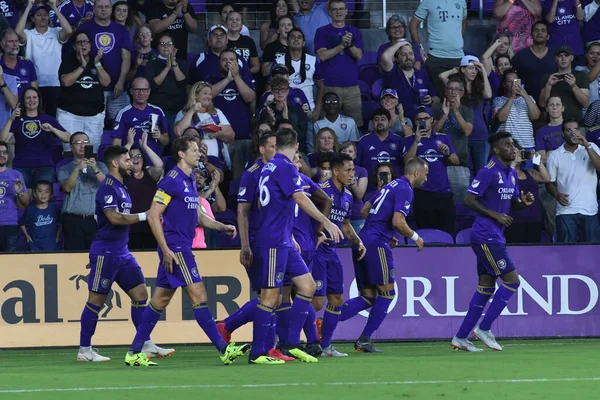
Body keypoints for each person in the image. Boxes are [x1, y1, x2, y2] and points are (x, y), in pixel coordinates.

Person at [124, 136, 250, 367]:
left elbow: (198, 216)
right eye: (193, 150)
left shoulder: (189, 178)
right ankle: (224, 349)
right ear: (181, 154)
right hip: (177, 248)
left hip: (179, 247)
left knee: (160, 300)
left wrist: (221, 226)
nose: (199, 153)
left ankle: (134, 352)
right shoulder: (171, 180)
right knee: (199, 295)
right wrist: (165, 249)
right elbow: (153, 215)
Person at [248, 128, 342, 364]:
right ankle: (258, 352)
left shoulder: (267, 167)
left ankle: (290, 343)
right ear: (296, 146)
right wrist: (325, 220)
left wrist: (287, 234)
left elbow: (265, 204)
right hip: (272, 241)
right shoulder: (286, 167)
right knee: (270, 297)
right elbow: (300, 198)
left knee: (307, 286)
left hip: (283, 239)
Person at [77, 145, 174, 362]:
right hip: (105, 253)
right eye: (126, 159)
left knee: (141, 296)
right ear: (115, 163)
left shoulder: (122, 187)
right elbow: (114, 218)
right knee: (96, 301)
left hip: (123, 253)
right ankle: (84, 350)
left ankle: (146, 343)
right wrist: (145, 216)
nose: (130, 163)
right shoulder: (107, 188)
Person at [451, 132, 535, 352]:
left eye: (513, 144)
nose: (513, 148)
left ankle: (461, 337)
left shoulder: (512, 174)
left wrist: (522, 203)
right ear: (496, 150)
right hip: (485, 234)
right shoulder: (488, 172)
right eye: (507, 145)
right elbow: (468, 199)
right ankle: (485, 328)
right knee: (512, 281)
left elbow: (510, 204)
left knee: (486, 288)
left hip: (496, 235)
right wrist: (494, 216)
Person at [216, 132, 294, 362]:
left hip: (278, 239)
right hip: (260, 240)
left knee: (275, 296)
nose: (276, 151)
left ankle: (264, 344)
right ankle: (258, 344)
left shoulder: (277, 169)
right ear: (261, 149)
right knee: (269, 295)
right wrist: (245, 245)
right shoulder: (252, 174)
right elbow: (242, 210)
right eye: (271, 147)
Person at [347, 157, 428, 353]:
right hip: (376, 244)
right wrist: (415, 236)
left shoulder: (390, 185)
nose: (426, 180)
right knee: (388, 293)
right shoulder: (405, 189)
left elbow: (366, 209)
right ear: (415, 173)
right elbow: (398, 221)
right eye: (425, 175)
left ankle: (326, 323)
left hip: (362, 240)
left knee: (368, 296)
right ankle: (364, 340)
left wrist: (381, 229)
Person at [311, 153, 365, 357]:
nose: (353, 174)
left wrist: (358, 242)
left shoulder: (349, 196)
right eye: (348, 170)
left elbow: (344, 223)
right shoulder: (321, 192)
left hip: (332, 252)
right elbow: (306, 214)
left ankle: (325, 346)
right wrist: (313, 234)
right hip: (316, 251)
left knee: (337, 298)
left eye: (353, 170)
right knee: (316, 302)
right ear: (335, 171)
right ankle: (286, 334)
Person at [404, 106, 459, 235]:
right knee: (426, 234)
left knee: (447, 234)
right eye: (419, 119)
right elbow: (407, 161)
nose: (422, 122)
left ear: (432, 120)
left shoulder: (443, 138)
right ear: (415, 121)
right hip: (422, 193)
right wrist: (416, 141)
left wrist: (448, 153)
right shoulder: (409, 140)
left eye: (425, 119)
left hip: (444, 194)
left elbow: (456, 161)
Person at [0, 87, 70, 189]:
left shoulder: (48, 119)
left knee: (43, 200)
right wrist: (11, 118)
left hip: (44, 166)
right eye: (28, 98)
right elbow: (2, 140)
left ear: (39, 99)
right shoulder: (17, 120)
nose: (31, 100)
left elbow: (68, 138)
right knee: (23, 199)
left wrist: (52, 129)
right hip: (21, 166)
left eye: (34, 97)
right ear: (23, 101)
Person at [78, 0, 132, 126]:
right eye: (100, 7)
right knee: (93, 126)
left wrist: (121, 81)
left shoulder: (121, 29)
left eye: (106, 7)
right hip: (92, 87)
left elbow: (126, 58)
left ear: (111, 9)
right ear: (94, 9)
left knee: (120, 125)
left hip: (117, 88)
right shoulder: (85, 28)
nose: (103, 9)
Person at [546, 118, 600, 243]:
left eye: (576, 129)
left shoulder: (591, 148)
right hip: (566, 211)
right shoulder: (555, 155)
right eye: (568, 130)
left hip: (589, 210)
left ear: (580, 131)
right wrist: (557, 194)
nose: (573, 133)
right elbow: (549, 183)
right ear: (562, 134)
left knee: (592, 253)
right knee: (567, 253)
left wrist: (587, 145)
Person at [16, 0, 73, 118]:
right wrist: (29, 6)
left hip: (54, 84)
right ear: (32, 19)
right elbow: (17, 32)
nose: (43, 17)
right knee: (35, 117)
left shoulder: (56, 32)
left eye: (45, 14)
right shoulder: (29, 33)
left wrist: (55, 8)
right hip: (34, 84)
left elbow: (69, 30)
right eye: (39, 15)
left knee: (53, 119)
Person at [57, 31, 111, 153]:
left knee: (90, 153)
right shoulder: (68, 61)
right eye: (79, 42)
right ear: (74, 46)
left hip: (94, 116)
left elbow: (106, 82)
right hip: (70, 115)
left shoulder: (97, 61)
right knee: (70, 152)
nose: (83, 45)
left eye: (85, 42)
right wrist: (82, 66)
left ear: (90, 45)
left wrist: (97, 63)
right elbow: (66, 82)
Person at [439, 56, 492, 174]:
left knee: (481, 172)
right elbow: (442, 76)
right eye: (470, 68)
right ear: (463, 69)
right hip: (462, 134)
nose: (474, 71)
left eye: (475, 69)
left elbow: (488, 95)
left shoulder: (479, 86)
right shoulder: (456, 87)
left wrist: (482, 69)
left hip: (480, 133)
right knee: (465, 172)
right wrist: (456, 69)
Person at [209, 49, 256, 180]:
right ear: (219, 62)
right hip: (219, 138)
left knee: (239, 178)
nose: (228, 63)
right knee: (219, 176)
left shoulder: (245, 78)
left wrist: (236, 77)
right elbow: (207, 95)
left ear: (237, 63)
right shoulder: (212, 78)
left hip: (242, 137)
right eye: (224, 60)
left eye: (231, 60)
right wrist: (227, 79)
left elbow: (250, 97)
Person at [315, 0, 363, 127]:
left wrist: (350, 44)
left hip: (352, 87)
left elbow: (358, 55)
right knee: (326, 125)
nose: (338, 12)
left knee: (355, 125)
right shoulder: (322, 31)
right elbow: (322, 56)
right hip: (330, 86)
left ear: (346, 11)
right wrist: (341, 45)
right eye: (335, 9)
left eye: (341, 9)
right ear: (330, 12)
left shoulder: (355, 31)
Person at [58, 132, 108, 251]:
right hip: (73, 220)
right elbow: (67, 188)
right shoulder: (64, 168)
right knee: (74, 256)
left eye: (86, 142)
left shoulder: (101, 166)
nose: (82, 146)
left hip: (95, 220)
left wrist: (95, 169)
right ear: (71, 146)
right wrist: (77, 169)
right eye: (78, 143)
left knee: (97, 255)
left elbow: (107, 187)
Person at [410, 0, 467, 97]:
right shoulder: (428, 2)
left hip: (458, 57)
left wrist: (455, 42)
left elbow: (464, 23)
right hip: (436, 58)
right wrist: (419, 47)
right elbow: (413, 24)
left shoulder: (462, 2)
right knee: (441, 97)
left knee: (460, 96)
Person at [432, 78, 474, 203]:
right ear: (445, 91)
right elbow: (433, 133)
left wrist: (455, 111)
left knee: (459, 202)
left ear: (462, 93)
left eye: (457, 89)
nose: (453, 92)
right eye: (450, 88)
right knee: (438, 200)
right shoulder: (436, 108)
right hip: (438, 162)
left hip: (459, 163)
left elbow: (467, 131)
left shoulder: (467, 111)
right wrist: (444, 116)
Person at [173, 81, 235, 166]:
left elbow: (231, 136)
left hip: (217, 162)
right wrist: (192, 110)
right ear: (195, 95)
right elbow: (178, 132)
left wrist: (218, 134)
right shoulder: (183, 113)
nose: (208, 96)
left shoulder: (216, 113)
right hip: (193, 162)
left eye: (210, 94)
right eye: (205, 93)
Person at [112, 77, 170, 165]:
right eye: (137, 90)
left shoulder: (157, 111)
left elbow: (166, 141)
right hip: (131, 163)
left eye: (144, 90)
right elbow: (116, 144)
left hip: (153, 163)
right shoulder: (124, 113)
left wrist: (160, 137)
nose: (141, 93)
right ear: (131, 91)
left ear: (149, 91)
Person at [276, 27, 324, 129]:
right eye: (292, 37)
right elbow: (270, 87)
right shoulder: (278, 62)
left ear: (304, 43)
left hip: (309, 109)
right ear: (287, 42)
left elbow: (321, 86)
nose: (296, 39)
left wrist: (317, 110)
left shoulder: (313, 60)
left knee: (309, 142)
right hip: (286, 109)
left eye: (299, 37)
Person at [381, 40, 437, 123]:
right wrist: (402, 43)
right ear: (396, 58)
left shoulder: (422, 74)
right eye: (404, 54)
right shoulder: (393, 73)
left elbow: (437, 98)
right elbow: (385, 57)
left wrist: (431, 100)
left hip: (421, 120)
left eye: (411, 54)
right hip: (399, 121)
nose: (408, 57)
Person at [124, 134, 164, 250]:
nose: (135, 159)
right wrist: (129, 144)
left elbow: (159, 165)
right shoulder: (123, 175)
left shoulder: (150, 173)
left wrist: (145, 147)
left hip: (150, 225)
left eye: (138, 156)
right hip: (130, 225)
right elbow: (116, 161)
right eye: (131, 156)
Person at [144, 32, 188, 136]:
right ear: (158, 47)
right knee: (154, 138)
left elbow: (183, 83)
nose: (166, 46)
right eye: (162, 44)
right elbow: (153, 85)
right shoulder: (151, 64)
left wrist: (174, 64)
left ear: (174, 47)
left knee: (176, 141)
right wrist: (167, 68)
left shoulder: (182, 63)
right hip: (155, 109)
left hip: (177, 109)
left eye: (169, 43)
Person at [505, 143, 550, 243]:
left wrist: (538, 162)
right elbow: (506, 185)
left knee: (533, 252)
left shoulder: (529, 172)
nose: (518, 154)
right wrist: (512, 164)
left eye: (519, 152)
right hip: (514, 221)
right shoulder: (504, 174)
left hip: (534, 219)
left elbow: (546, 179)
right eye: (515, 152)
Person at [493, 69, 540, 153]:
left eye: (515, 81)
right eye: (509, 81)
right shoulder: (499, 100)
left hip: (527, 145)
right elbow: (501, 119)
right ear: (504, 84)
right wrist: (511, 97)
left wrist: (525, 95)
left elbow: (535, 116)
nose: (513, 84)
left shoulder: (529, 98)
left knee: (530, 167)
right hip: (507, 147)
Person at [539, 45, 590, 121]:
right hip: (553, 123)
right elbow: (542, 103)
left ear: (572, 58)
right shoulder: (548, 77)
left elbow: (585, 104)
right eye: (560, 56)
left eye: (566, 55)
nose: (563, 58)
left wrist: (573, 86)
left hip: (575, 123)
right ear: (556, 59)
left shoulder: (581, 75)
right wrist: (548, 85)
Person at [258, 75, 308, 151]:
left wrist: (286, 121)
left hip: (293, 149)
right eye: (276, 90)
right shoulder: (266, 112)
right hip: (273, 150)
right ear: (271, 91)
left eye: (283, 90)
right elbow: (262, 136)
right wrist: (272, 124)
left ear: (288, 91)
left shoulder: (298, 111)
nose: (280, 93)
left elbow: (302, 136)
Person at [511, 21, 557, 102]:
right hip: (526, 101)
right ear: (531, 35)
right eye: (536, 30)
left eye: (543, 31)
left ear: (548, 36)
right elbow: (515, 78)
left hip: (551, 102)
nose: (539, 32)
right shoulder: (520, 56)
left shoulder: (556, 56)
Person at [356, 108, 404, 177]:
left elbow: (404, 165)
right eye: (376, 120)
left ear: (389, 122)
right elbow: (357, 166)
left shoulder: (399, 141)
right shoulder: (363, 141)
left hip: (394, 185)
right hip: (369, 186)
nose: (379, 122)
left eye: (383, 119)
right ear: (372, 123)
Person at [0, 140, 30, 252]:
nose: (2, 155)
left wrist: (19, 193)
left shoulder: (16, 174)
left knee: (9, 265)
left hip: (10, 225)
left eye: (4, 152)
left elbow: (25, 202)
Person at [19, 180, 61, 251]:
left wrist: (58, 235)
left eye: (46, 192)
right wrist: (27, 236)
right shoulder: (30, 210)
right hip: (35, 247)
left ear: (51, 194)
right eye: (40, 191)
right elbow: (21, 223)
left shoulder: (55, 209)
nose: (43, 194)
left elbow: (62, 222)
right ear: (35, 193)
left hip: (52, 246)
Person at [0, 29, 38, 99]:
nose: (14, 44)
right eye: (10, 41)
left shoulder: (28, 64)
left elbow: (34, 91)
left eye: (16, 41)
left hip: (24, 107)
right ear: (2, 44)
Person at [340, 141, 368, 234]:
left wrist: (352, 182)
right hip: (338, 214)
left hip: (356, 215)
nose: (347, 153)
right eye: (344, 151)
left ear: (355, 155)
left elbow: (360, 195)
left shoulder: (361, 171)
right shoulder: (334, 170)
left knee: (359, 246)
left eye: (350, 151)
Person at [536, 96, 565, 164]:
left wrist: (551, 153)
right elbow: (542, 159)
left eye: (557, 105)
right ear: (547, 109)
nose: (554, 108)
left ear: (563, 108)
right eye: (551, 105)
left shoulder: (570, 126)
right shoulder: (541, 132)